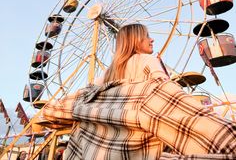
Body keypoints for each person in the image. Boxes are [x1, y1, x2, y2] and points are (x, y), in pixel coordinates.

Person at [42, 23, 236, 159]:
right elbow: (164, 93)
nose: (152, 40)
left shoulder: (107, 73)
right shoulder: (148, 60)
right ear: (136, 41)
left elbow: (93, 97)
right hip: (139, 144)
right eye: (146, 36)